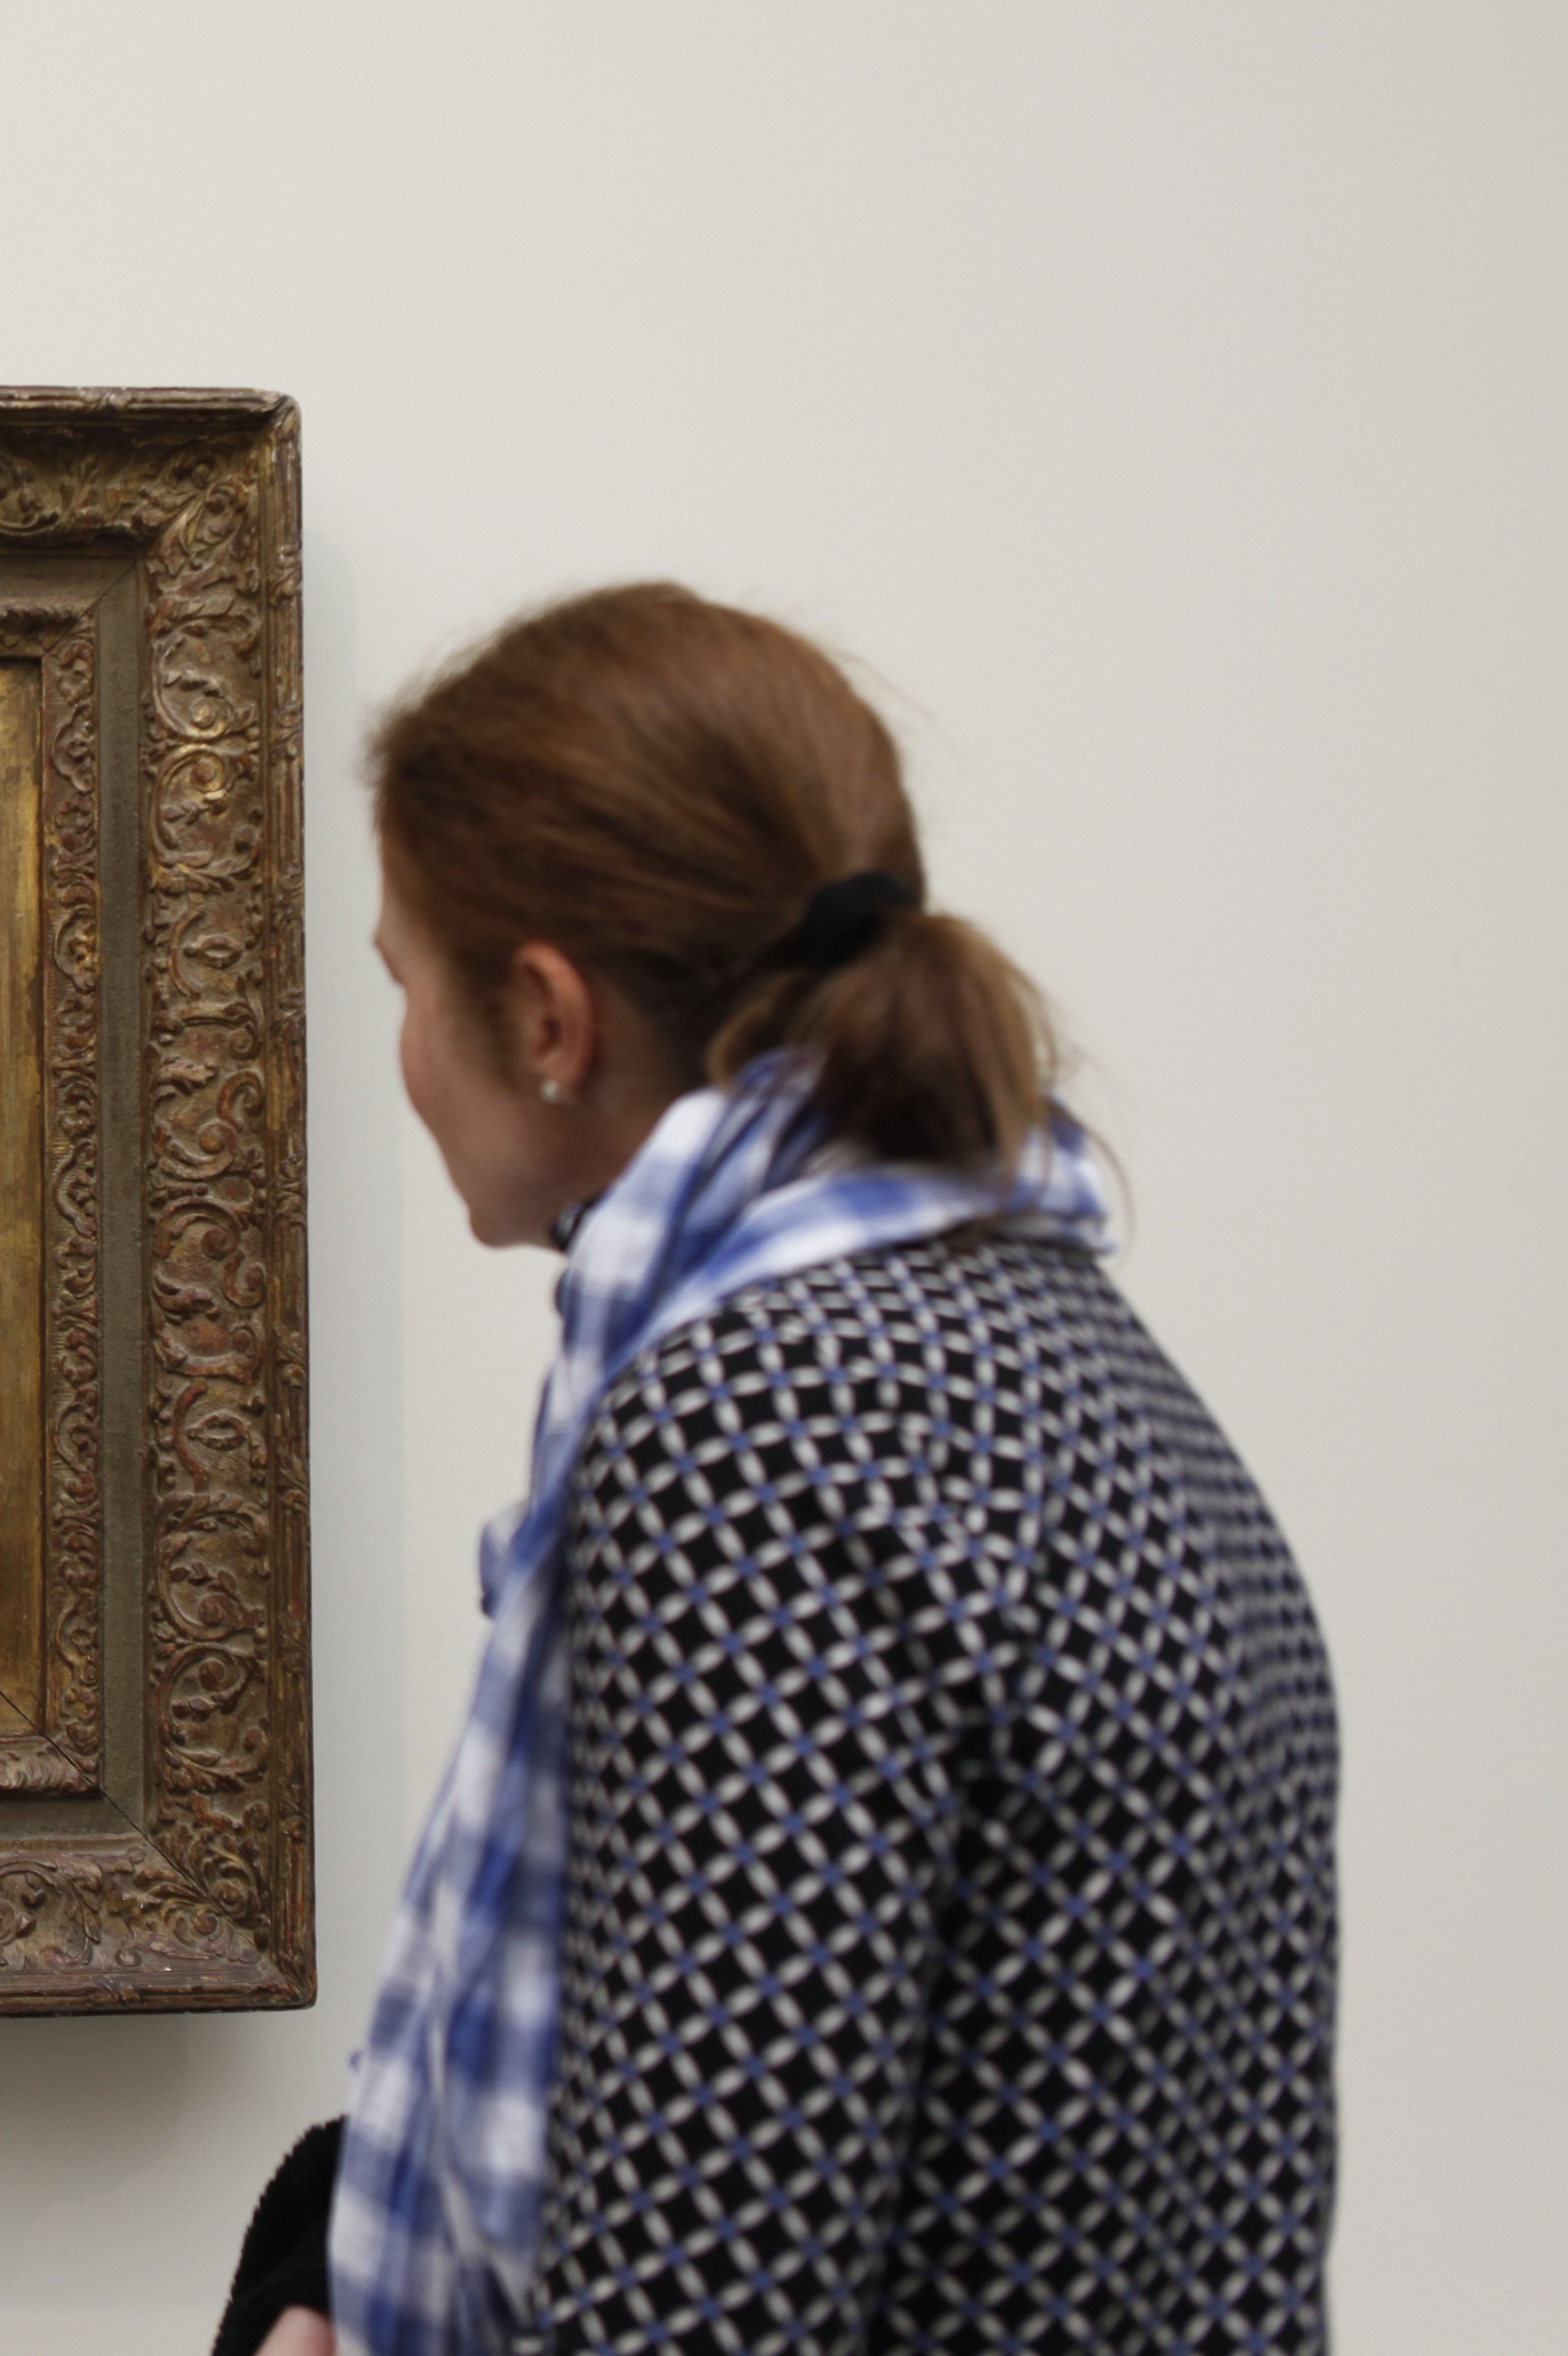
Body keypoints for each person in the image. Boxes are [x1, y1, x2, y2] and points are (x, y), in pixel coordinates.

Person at [219, 587, 1336, 2355]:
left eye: (403, 985)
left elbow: (704, 2295)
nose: (404, 1058)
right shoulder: (1067, 1357)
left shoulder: (772, 1424)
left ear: (546, 1021)